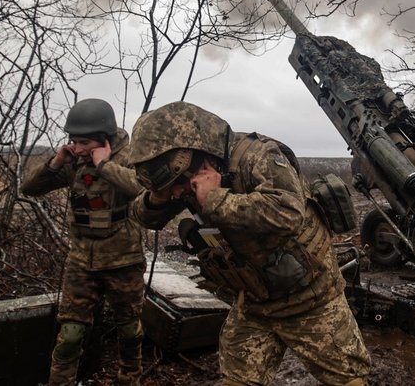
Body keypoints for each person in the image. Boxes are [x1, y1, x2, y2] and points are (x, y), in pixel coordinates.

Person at [128, 101, 371, 386]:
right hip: (254, 304)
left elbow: (287, 213)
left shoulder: (259, 155)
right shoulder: (184, 178)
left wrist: (215, 200)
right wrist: (157, 197)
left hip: (310, 299)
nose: (178, 193)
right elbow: (145, 216)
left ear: (194, 153)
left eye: (177, 183)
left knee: (349, 381)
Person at [22, 98, 146, 385]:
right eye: (73, 141)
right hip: (81, 262)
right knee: (70, 335)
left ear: (104, 139)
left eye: (84, 143)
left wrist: (104, 165)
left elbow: (143, 189)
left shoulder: (128, 159)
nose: (77, 148)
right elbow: (30, 189)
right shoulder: (74, 162)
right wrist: (55, 163)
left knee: (129, 331)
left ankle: (130, 379)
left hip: (122, 260)